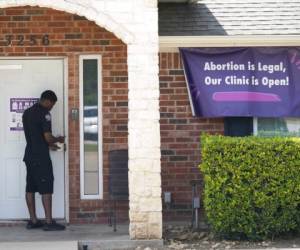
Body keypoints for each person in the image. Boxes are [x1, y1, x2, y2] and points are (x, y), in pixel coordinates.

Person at [22, 90, 65, 231]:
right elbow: (47, 137)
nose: (51, 107)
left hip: (29, 155)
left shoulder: (27, 113)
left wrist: (50, 145)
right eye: (52, 104)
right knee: (46, 189)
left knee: (30, 187)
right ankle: (48, 222)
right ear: (47, 101)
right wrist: (58, 139)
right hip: (41, 158)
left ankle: (33, 221)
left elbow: (36, 136)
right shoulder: (44, 114)